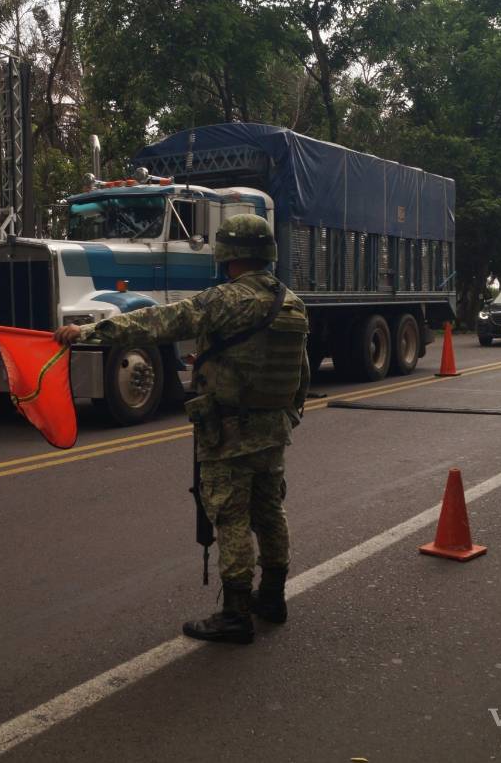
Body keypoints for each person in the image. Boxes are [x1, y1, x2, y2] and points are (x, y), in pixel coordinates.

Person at [53, 214, 310, 644]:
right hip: (273, 428)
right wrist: (289, 416)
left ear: (229, 255)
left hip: (229, 431)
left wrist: (90, 329)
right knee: (270, 513)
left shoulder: (225, 301)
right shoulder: (292, 304)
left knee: (231, 517)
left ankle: (235, 614)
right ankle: (273, 597)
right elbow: (301, 372)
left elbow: (158, 321)